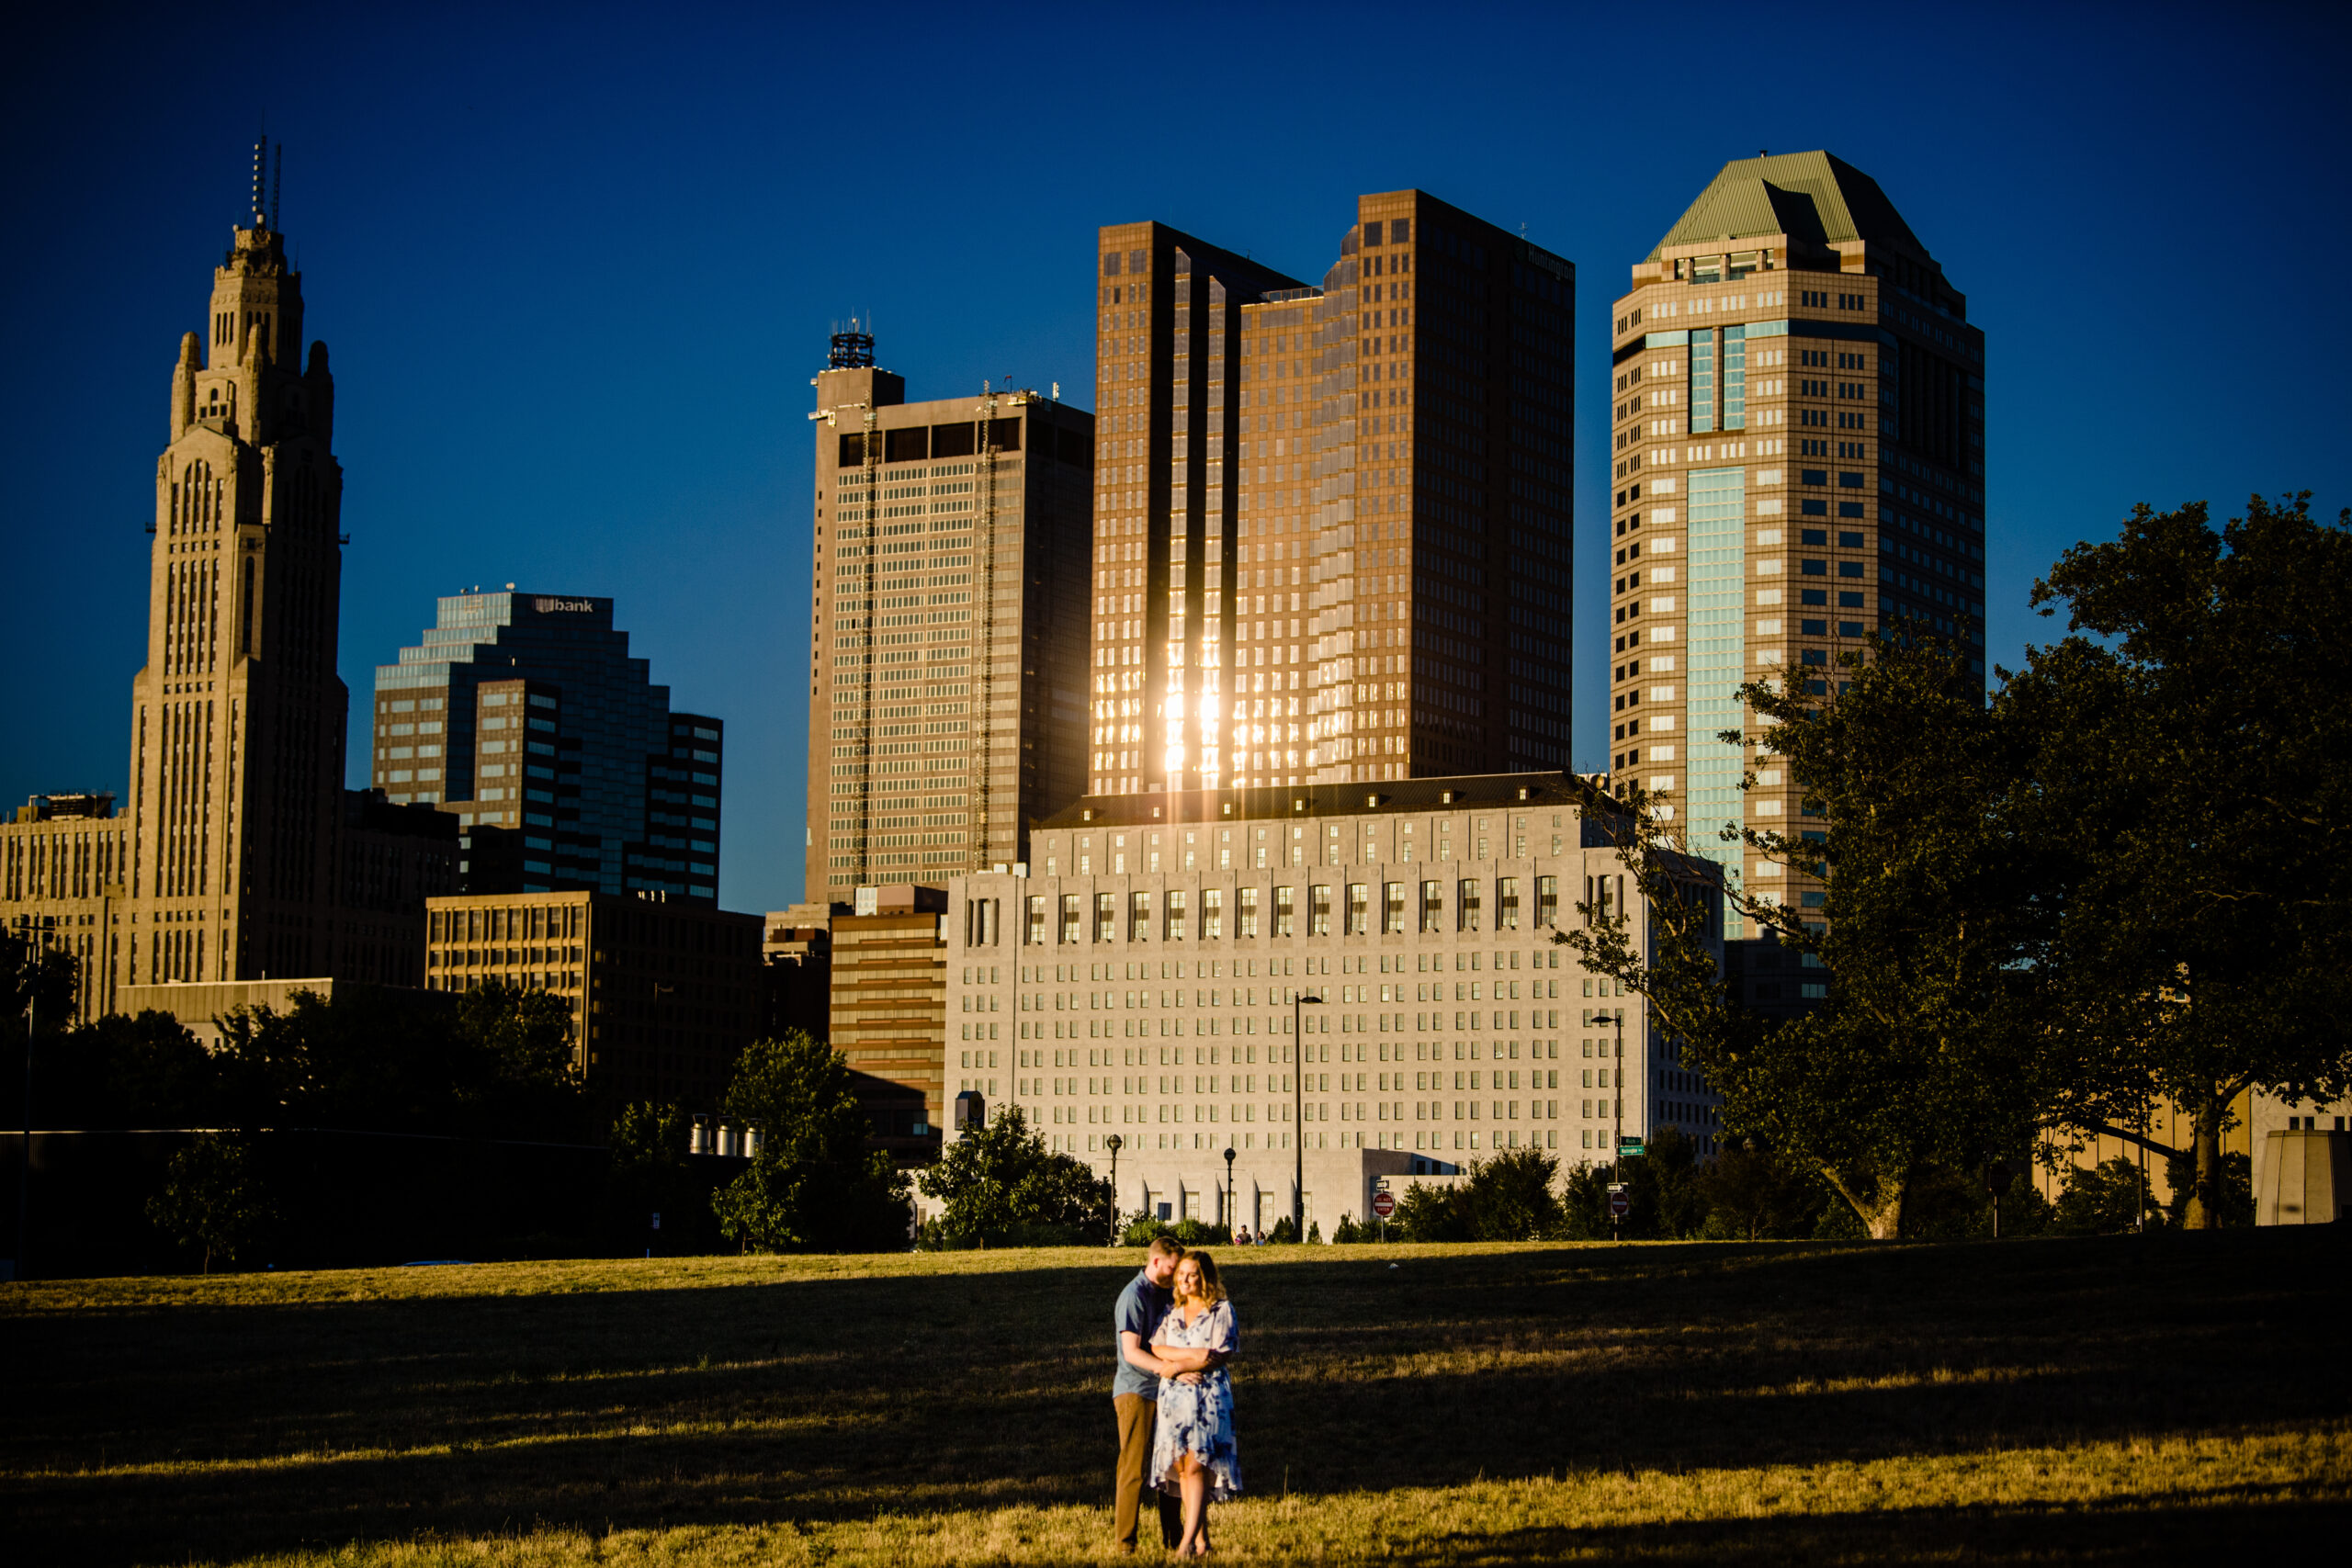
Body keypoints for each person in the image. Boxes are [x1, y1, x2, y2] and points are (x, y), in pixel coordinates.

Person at [1148, 1250, 1241, 1557]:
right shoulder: (1173, 1312)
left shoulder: (1220, 1310)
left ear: (1205, 1278)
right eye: (1182, 1273)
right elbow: (1157, 1347)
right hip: (1174, 1400)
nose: (1185, 1279)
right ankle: (1203, 1542)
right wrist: (1183, 1361)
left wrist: (1177, 1363)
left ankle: (1186, 1541)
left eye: (1192, 1274)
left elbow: (1215, 1354)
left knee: (1198, 1464)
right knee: (1184, 1468)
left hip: (1207, 1397)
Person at [1113, 1236, 1188, 1553]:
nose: (1175, 1275)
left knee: (1171, 1467)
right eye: (1172, 1268)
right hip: (1137, 1390)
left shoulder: (1166, 1293)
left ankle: (1174, 1538)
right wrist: (1167, 1369)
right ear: (1156, 1261)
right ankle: (1125, 1543)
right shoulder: (1134, 1296)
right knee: (1134, 1468)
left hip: (1167, 1392)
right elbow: (1131, 1352)